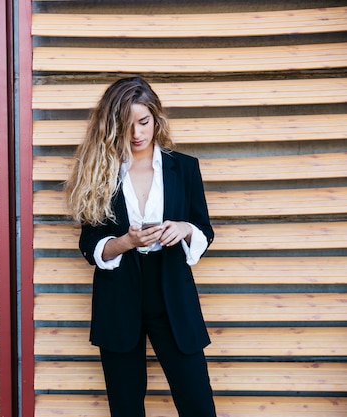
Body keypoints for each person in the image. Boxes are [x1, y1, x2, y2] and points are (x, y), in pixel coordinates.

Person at [64, 76, 217, 417]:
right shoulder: (100, 170)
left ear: (156, 118)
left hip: (173, 295)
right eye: (126, 125)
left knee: (198, 406)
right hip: (119, 297)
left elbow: (204, 231)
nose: (136, 134)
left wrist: (183, 229)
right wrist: (125, 242)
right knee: (126, 410)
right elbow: (90, 246)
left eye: (143, 122)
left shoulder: (185, 168)